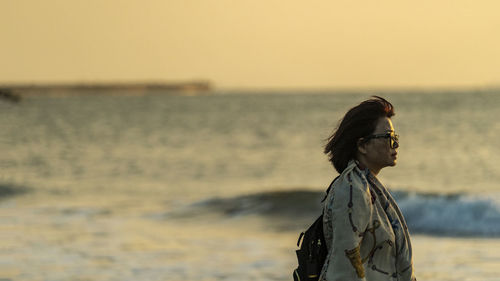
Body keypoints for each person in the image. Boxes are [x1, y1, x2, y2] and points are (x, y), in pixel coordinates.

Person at [319, 96, 416, 281]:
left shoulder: (370, 189)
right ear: (362, 145)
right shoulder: (351, 190)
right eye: (388, 137)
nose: (395, 144)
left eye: (395, 137)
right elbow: (345, 269)